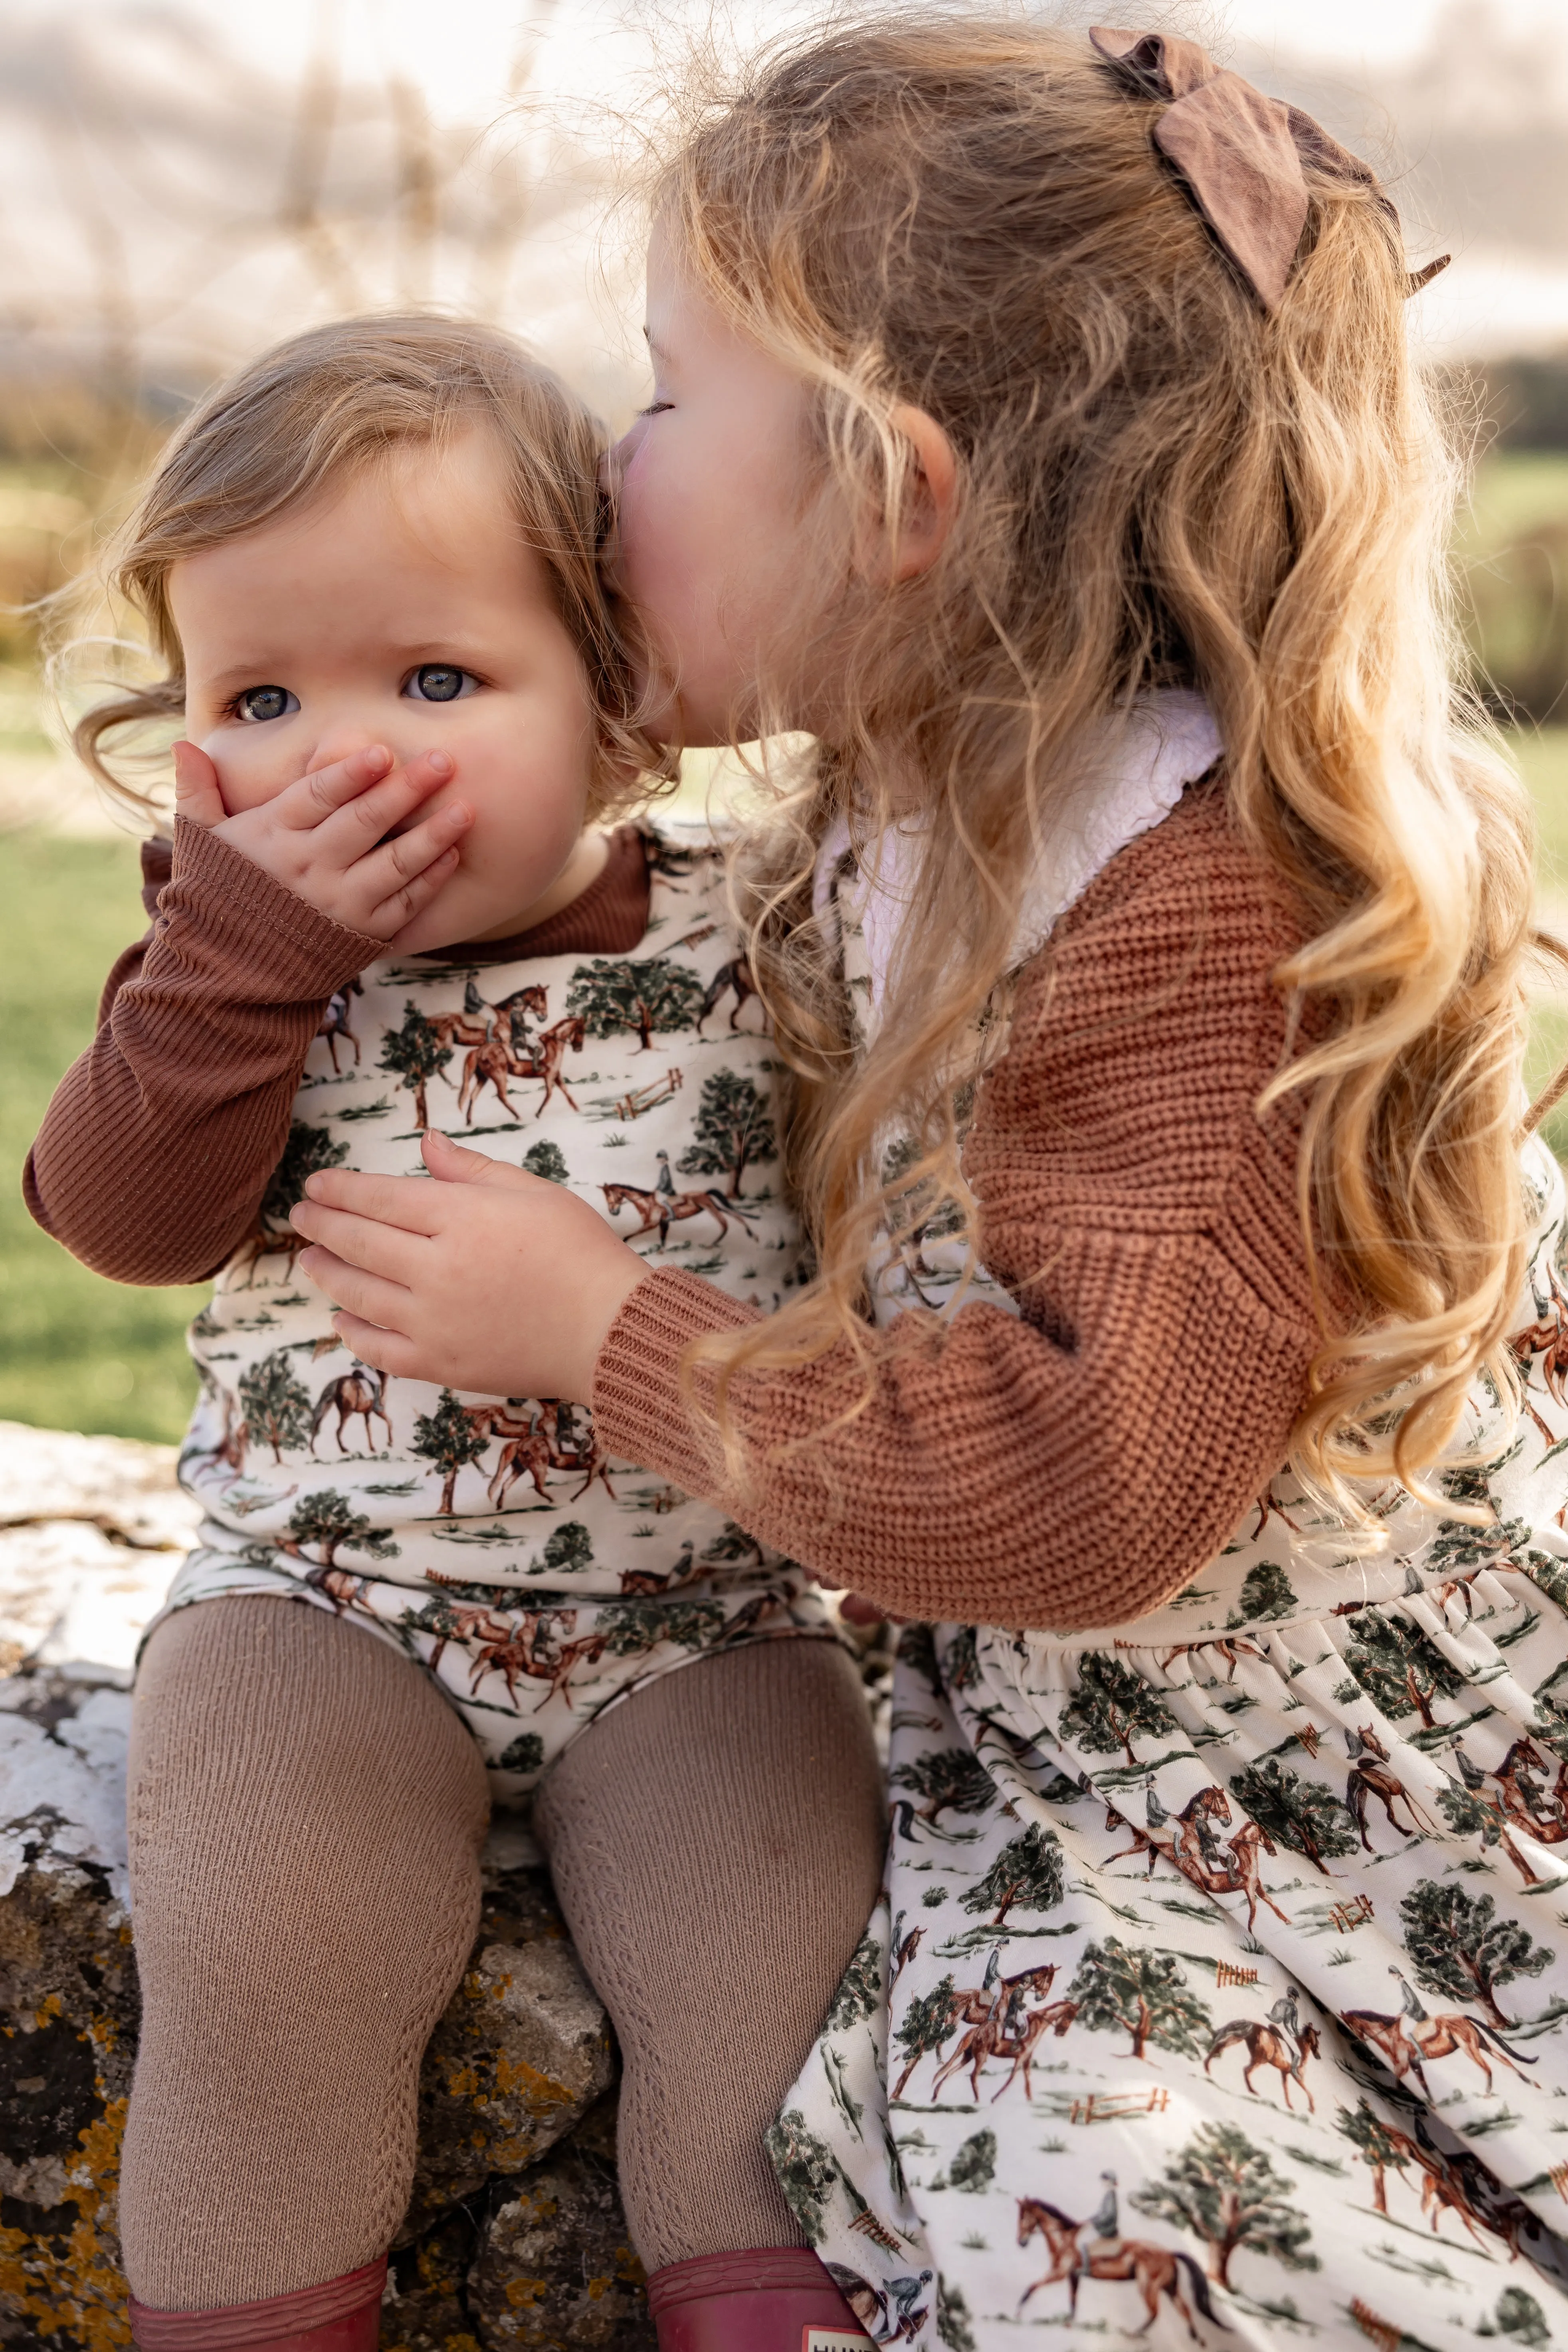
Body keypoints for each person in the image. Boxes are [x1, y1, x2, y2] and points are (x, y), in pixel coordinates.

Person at [290, 21, 1568, 2347]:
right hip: (1113, 1718)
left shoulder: (1189, 928)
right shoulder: (917, 802)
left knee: (1107, 2169)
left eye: (667, 399)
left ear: (894, 499)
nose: (604, 462)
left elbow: (1089, 1491)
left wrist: (605, 1334)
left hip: (1352, 1792)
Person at [26, 315, 886, 2352]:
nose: (342, 753)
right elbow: (120, 1226)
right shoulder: (230, 954)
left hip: (698, 1624)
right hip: (323, 1607)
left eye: (435, 678)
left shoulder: (753, 933)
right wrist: (236, 953)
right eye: (260, 693)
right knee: (262, 1952)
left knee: (773, 1994)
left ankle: (761, 2306)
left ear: (617, 708)